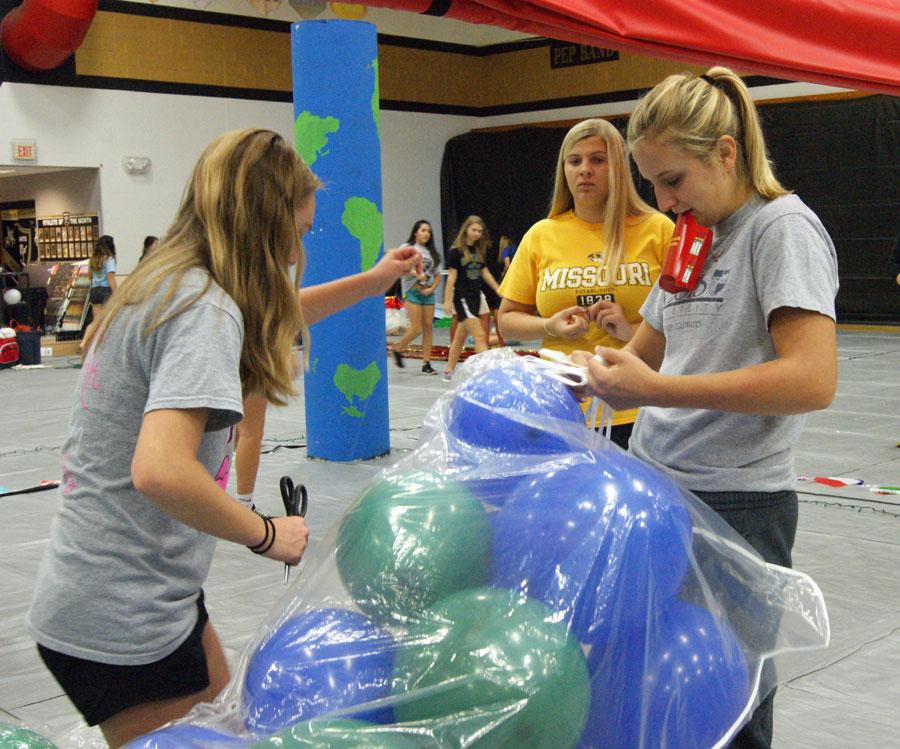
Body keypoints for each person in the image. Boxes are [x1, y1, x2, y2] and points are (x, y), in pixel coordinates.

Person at [25, 129, 422, 748]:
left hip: (129, 593)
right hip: (123, 615)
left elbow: (273, 312)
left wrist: (373, 283)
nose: (299, 249)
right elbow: (159, 469)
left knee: (229, 719)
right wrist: (265, 533)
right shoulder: (202, 308)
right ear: (267, 224)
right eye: (300, 230)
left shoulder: (174, 282)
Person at [572, 68, 839, 749]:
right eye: (653, 183)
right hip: (661, 492)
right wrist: (578, 377)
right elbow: (648, 351)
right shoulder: (693, 235)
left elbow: (810, 378)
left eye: (673, 180)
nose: (663, 199)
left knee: (730, 703)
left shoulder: (781, 230)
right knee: (656, 688)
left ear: (726, 152)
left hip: (738, 507)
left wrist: (654, 390)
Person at [497, 118, 674, 448]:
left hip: (640, 409)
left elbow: (689, 331)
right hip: (561, 407)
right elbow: (507, 322)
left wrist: (631, 331)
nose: (585, 170)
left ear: (618, 167)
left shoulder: (658, 230)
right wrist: (549, 325)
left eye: (597, 160)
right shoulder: (541, 235)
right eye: (574, 161)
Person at [442, 215, 501, 381]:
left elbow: (485, 272)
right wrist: (447, 300)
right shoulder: (456, 252)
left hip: (475, 297)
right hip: (462, 299)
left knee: (460, 336)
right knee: (480, 336)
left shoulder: (478, 251)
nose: (476, 234)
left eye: (480, 231)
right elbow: (451, 278)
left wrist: (499, 289)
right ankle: (489, 373)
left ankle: (448, 371)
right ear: (466, 229)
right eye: (474, 230)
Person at [390, 219, 441, 375]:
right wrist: (416, 274)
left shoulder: (432, 253)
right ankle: (397, 348)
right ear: (415, 232)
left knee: (428, 327)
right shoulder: (407, 248)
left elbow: (437, 274)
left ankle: (426, 363)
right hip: (413, 291)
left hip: (428, 293)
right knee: (416, 328)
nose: (426, 234)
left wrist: (432, 288)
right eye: (423, 230)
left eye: (428, 231)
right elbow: (399, 266)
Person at [88, 234, 117, 312]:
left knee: (96, 321)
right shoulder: (109, 259)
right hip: (106, 290)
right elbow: (110, 278)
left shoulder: (93, 259)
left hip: (94, 290)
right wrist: (116, 292)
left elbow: (90, 276)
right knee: (106, 320)